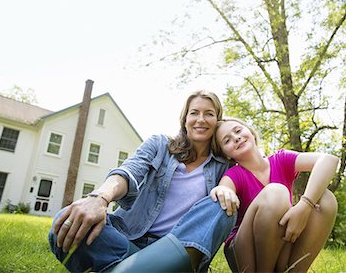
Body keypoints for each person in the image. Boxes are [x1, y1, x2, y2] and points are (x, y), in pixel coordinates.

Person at [48, 90, 237, 273]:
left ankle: (138, 267)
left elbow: (255, 169)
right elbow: (129, 172)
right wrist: (100, 198)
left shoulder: (226, 166)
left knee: (224, 204)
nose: (201, 119)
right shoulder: (160, 145)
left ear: (218, 121)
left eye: (209, 114)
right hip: (126, 239)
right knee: (67, 221)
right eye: (194, 113)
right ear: (185, 119)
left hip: (176, 250)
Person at [210, 118, 339, 273]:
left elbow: (329, 160)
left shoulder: (281, 159)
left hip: (282, 241)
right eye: (227, 141)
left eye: (238, 131)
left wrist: (305, 205)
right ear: (226, 155)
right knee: (276, 191)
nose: (236, 138)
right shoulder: (234, 175)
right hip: (245, 253)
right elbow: (224, 189)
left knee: (326, 199)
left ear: (251, 132)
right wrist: (223, 190)